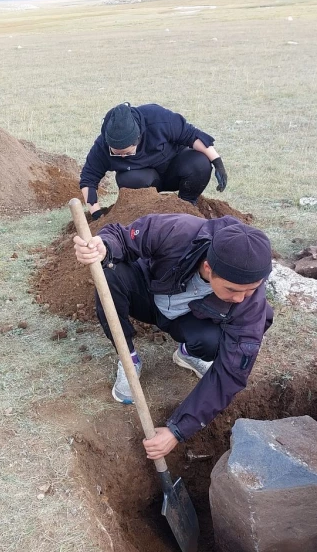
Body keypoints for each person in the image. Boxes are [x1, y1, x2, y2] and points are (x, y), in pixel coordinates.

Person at [73, 213, 274, 459]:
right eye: (232, 289)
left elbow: (231, 373)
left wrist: (177, 430)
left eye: (251, 290)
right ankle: (129, 359)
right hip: (148, 296)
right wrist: (103, 247)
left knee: (214, 342)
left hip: (189, 320)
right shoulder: (178, 231)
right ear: (209, 268)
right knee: (110, 274)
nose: (240, 298)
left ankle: (187, 353)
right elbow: (122, 237)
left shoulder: (250, 305)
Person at [79, 103, 228, 219]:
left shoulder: (157, 118)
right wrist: (96, 214)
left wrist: (217, 162)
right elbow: (88, 178)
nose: (123, 157)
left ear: (138, 139)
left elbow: (191, 135)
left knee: (200, 162)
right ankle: (147, 213)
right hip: (142, 180)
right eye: (117, 154)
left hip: (174, 169)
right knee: (128, 179)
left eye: (127, 152)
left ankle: (186, 206)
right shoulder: (102, 146)